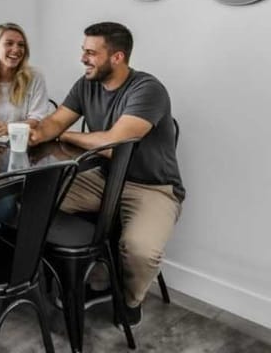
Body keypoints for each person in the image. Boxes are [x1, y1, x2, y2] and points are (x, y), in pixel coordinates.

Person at [30, 22, 184, 327]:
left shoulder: (148, 89)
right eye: (83, 51)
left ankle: (129, 300)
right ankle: (72, 275)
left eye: (91, 53)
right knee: (34, 197)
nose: (83, 58)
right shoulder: (86, 84)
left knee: (141, 252)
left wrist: (69, 137)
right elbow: (56, 122)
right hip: (102, 179)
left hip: (152, 187)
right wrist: (37, 132)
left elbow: (115, 145)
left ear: (117, 57)